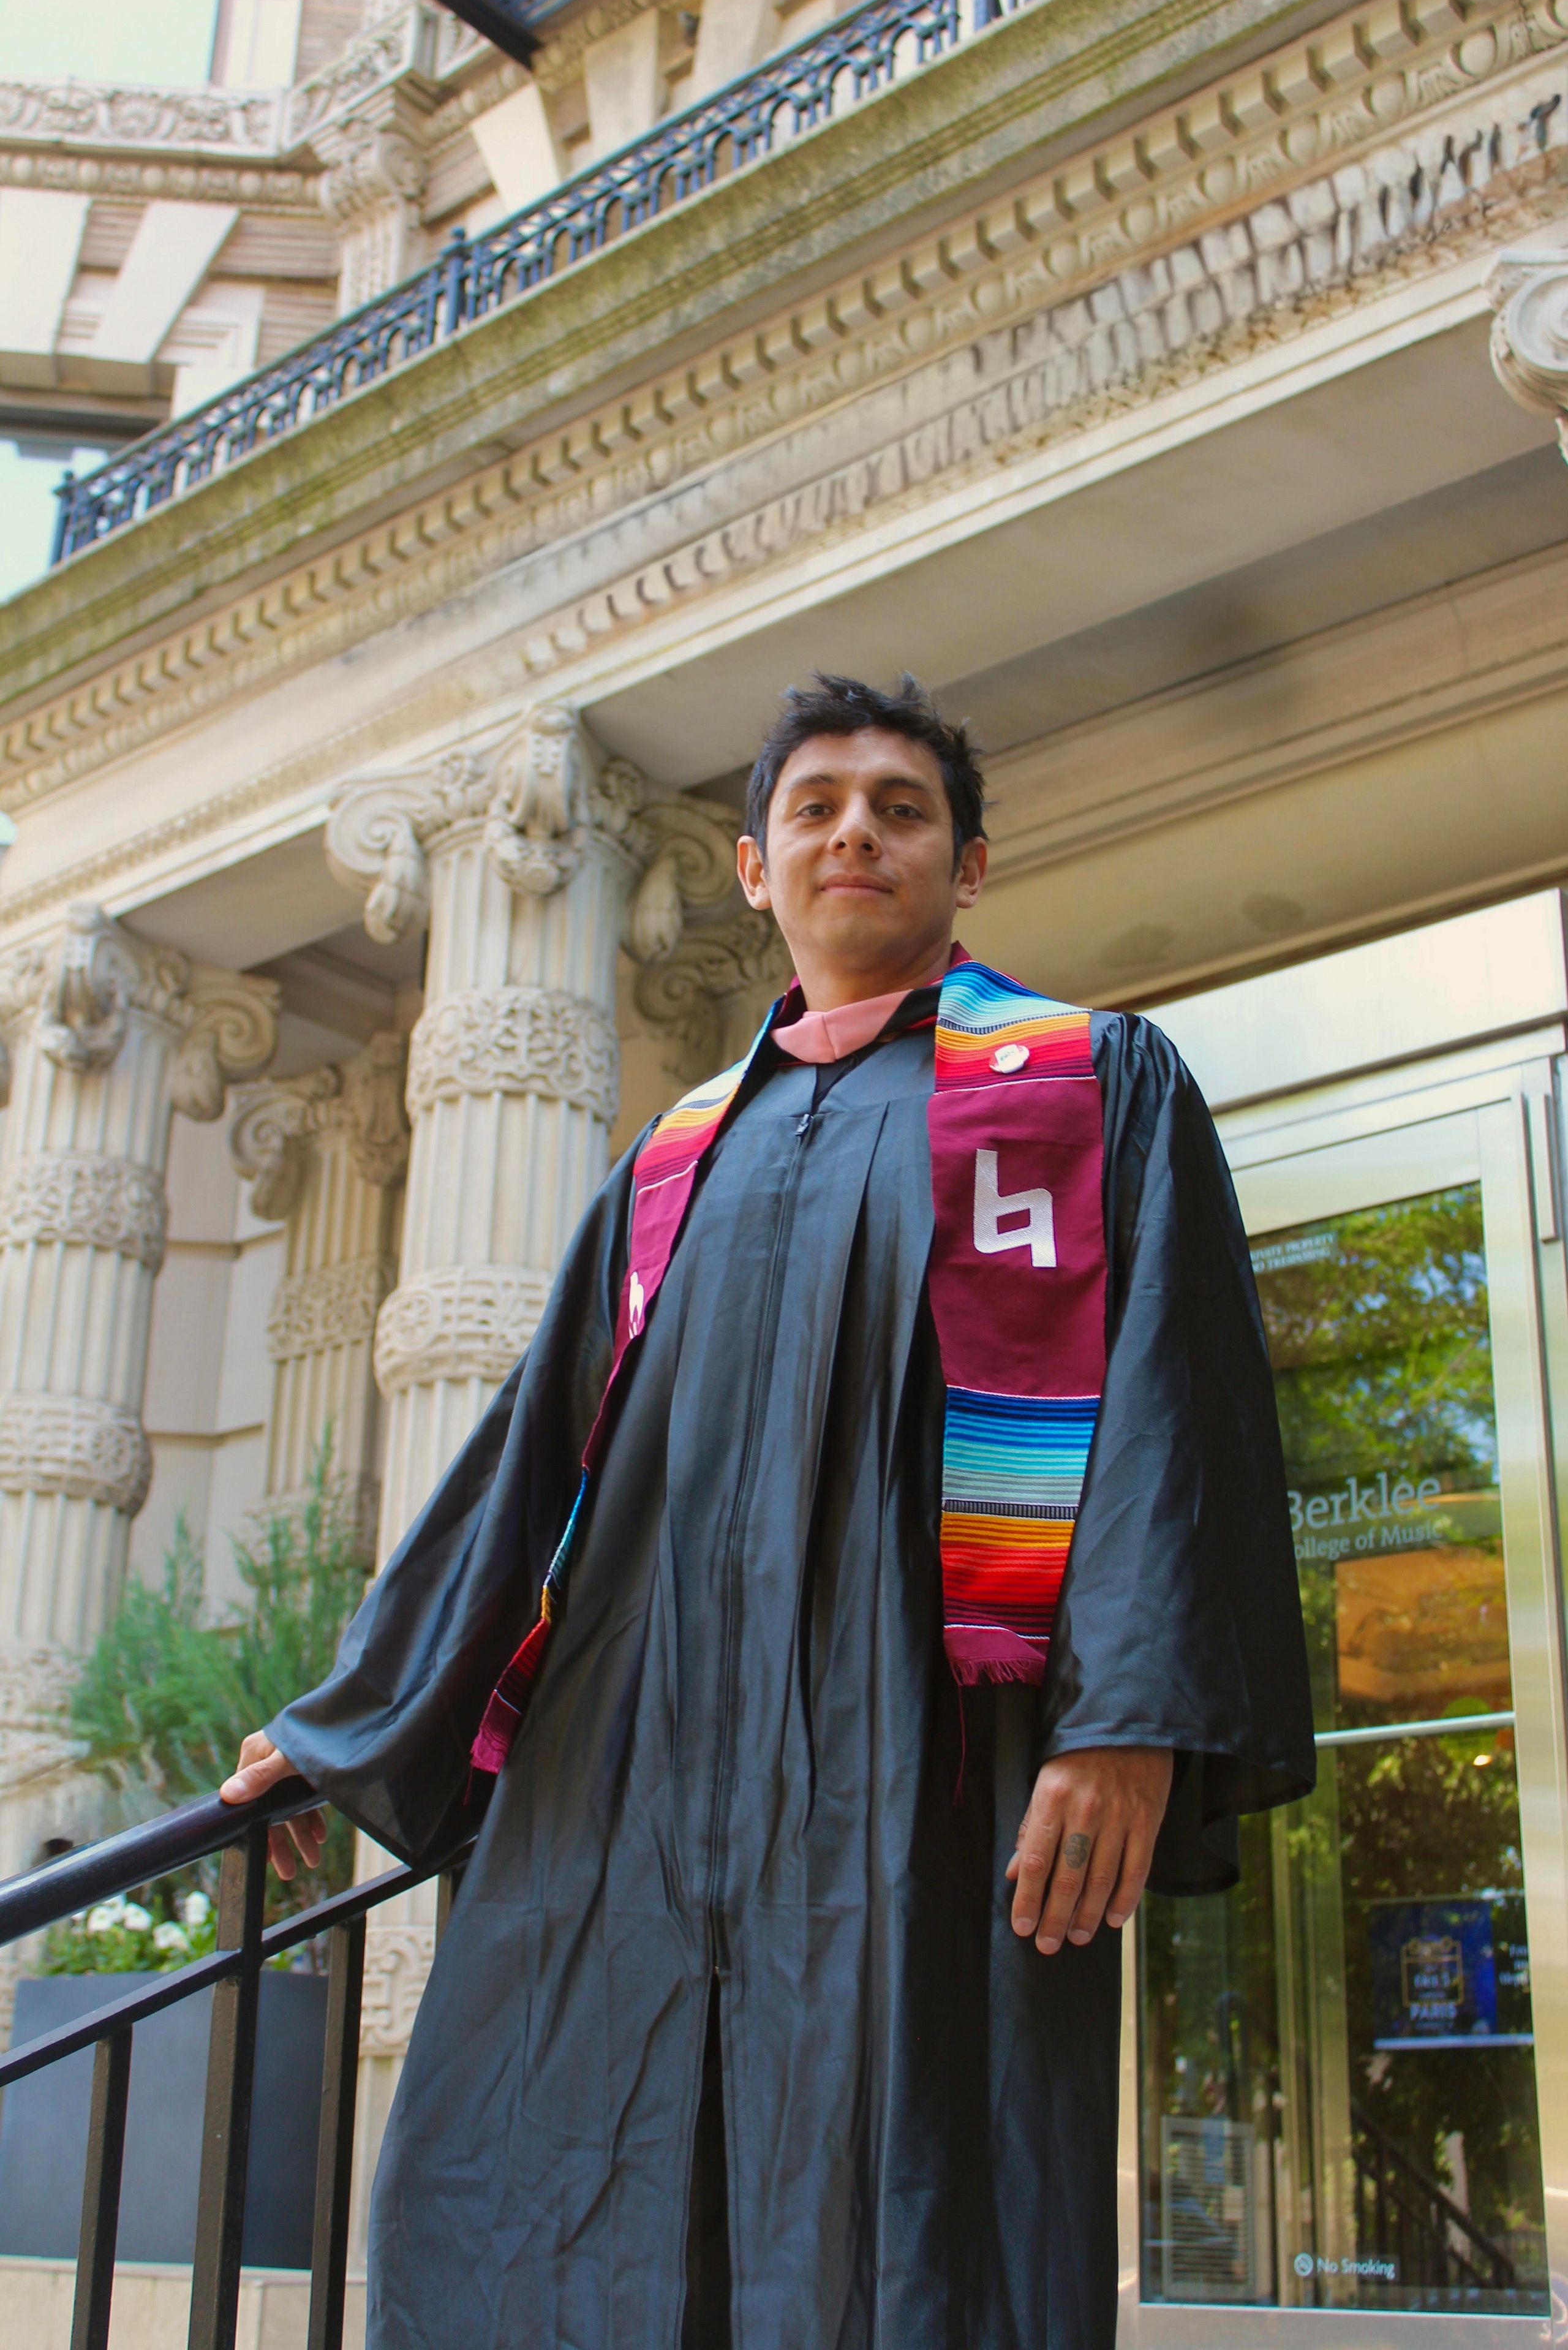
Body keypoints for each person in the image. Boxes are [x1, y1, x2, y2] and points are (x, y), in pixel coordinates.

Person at [223, 673, 1313, 2350]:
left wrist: (1126, 1720)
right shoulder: (670, 1164)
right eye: (816, 808)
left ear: (969, 865)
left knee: (905, 2212)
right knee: (542, 2187)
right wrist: (353, 1715)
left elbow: (1178, 1400)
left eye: (901, 809)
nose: (856, 832)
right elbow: (527, 1463)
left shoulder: (1089, 1088)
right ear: (754, 870)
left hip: (925, 1766)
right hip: (641, 1779)